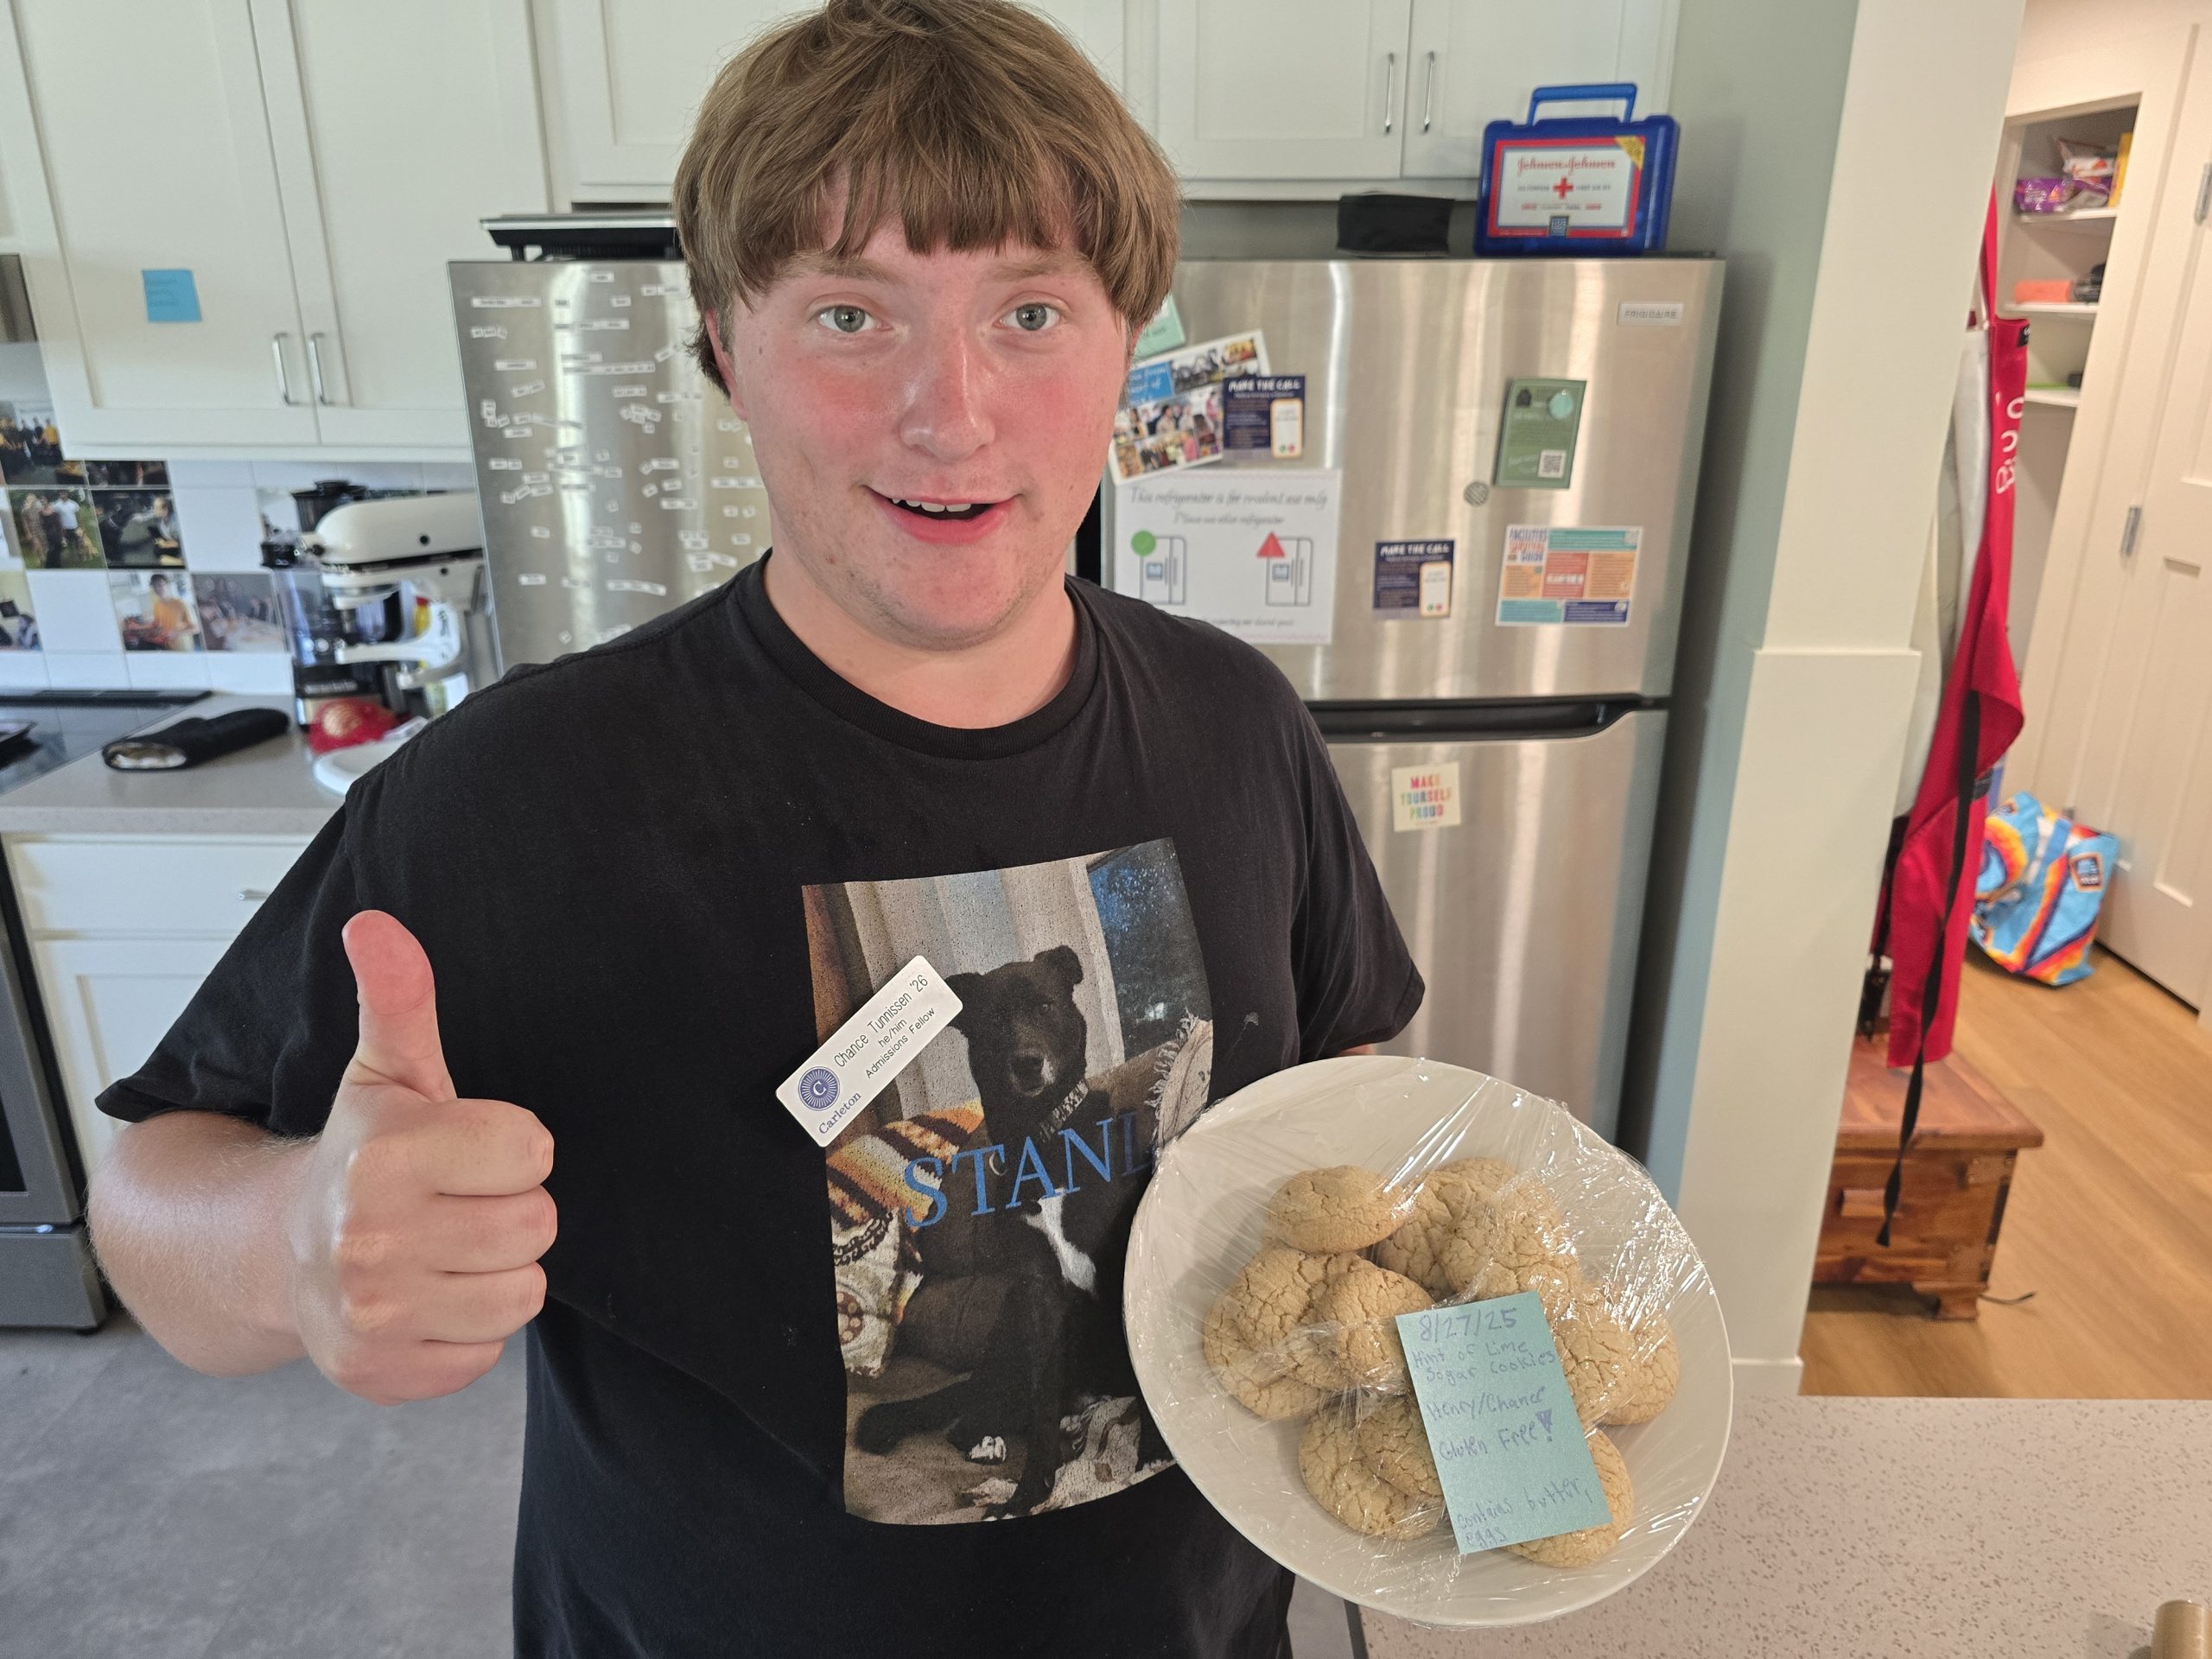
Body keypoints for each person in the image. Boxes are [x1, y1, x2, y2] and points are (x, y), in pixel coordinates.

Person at [85, 3, 1420, 1656]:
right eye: (853, 314)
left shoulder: (1239, 720)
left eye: (1029, 311)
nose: (954, 412)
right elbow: (151, 1194)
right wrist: (295, 1236)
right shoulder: (519, 791)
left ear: (1126, 338)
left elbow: (1361, 1066)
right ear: (723, 344)